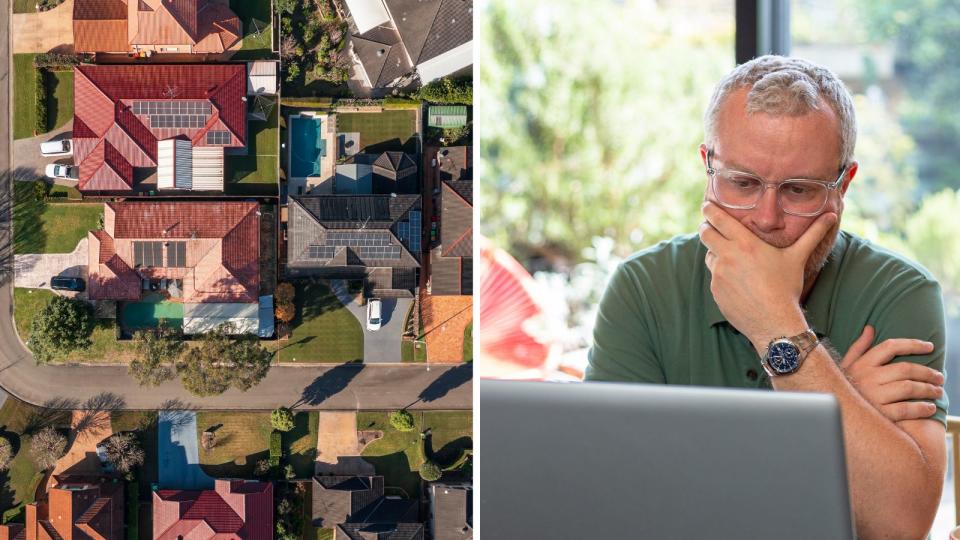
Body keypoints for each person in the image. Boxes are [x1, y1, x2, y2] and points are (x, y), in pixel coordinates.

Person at [586, 55, 948, 539]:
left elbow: (900, 525)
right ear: (708, 168)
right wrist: (840, 410)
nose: (765, 217)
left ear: (844, 186)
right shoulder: (643, 287)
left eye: (799, 190)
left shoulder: (901, 292)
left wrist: (776, 324)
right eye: (742, 183)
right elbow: (611, 507)